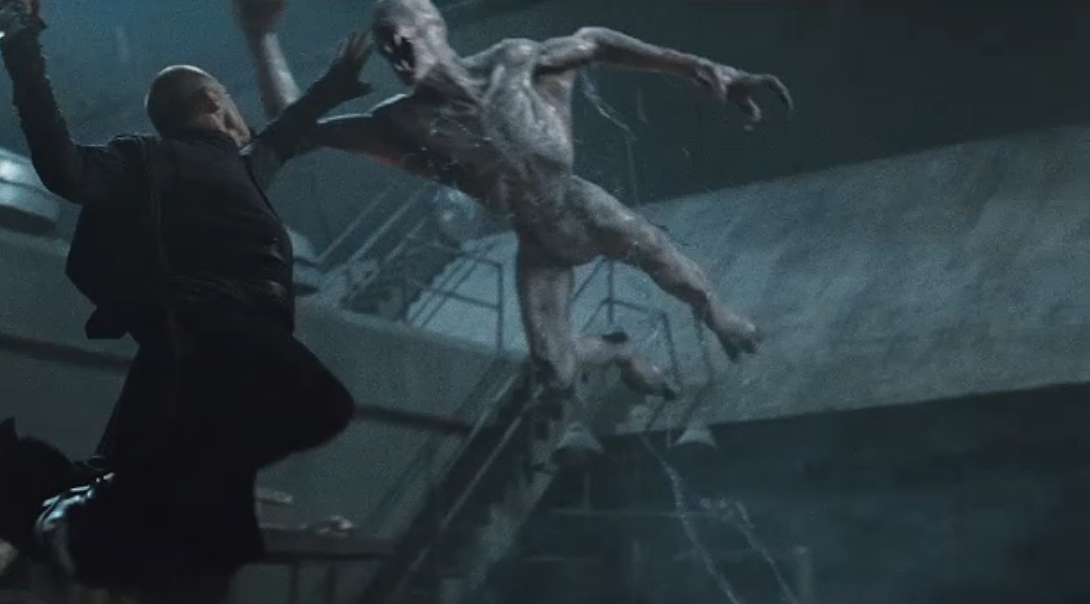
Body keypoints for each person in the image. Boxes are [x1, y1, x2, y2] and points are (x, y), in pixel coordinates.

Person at [235, 0, 792, 462]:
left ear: (435, 27)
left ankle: (717, 314)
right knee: (554, 369)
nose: (397, 52)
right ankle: (619, 351)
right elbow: (297, 129)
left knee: (664, 261)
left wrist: (700, 67)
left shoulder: (514, 62)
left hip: (580, 205)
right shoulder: (400, 122)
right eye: (386, 47)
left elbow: (594, 40)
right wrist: (262, 38)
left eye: (404, 36)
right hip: (537, 241)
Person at [0, 0, 372, 600]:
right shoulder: (147, 161)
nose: (244, 113)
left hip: (228, 372)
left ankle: (100, 508)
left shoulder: (246, 169)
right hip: (205, 344)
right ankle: (90, 507)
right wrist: (21, 48)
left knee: (195, 557)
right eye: (232, 98)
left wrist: (332, 87)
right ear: (214, 101)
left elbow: (286, 132)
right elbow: (65, 167)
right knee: (321, 404)